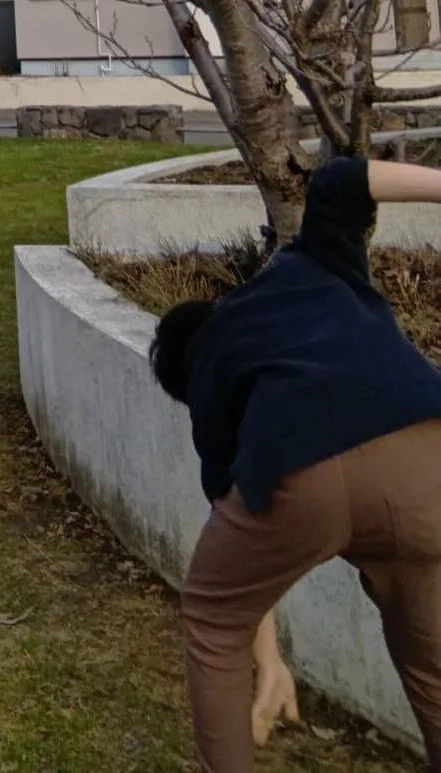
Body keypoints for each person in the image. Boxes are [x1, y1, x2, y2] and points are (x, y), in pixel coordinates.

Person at [150, 154, 441, 773]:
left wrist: (267, 661)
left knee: (210, 617)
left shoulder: (210, 369)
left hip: (307, 468)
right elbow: (339, 181)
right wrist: (273, 656)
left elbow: (238, 532)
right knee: (430, 668)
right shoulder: (307, 267)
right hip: (430, 456)